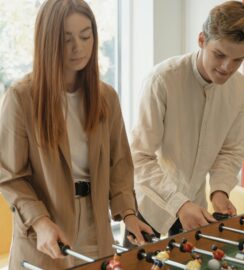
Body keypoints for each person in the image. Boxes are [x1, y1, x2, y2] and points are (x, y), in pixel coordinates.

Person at [0, 0, 152, 269]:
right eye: (66, 38)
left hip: (97, 226)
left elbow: (119, 166)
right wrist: (40, 221)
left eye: (85, 35)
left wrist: (128, 213)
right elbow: (11, 176)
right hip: (45, 227)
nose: (78, 47)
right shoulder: (21, 97)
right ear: (47, 41)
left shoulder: (106, 97)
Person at [130, 1, 244, 238]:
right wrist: (178, 203)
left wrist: (220, 192)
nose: (226, 67)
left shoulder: (240, 90)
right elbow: (139, 157)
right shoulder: (161, 80)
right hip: (148, 210)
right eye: (219, 54)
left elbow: (230, 151)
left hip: (197, 210)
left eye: (237, 60)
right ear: (201, 39)